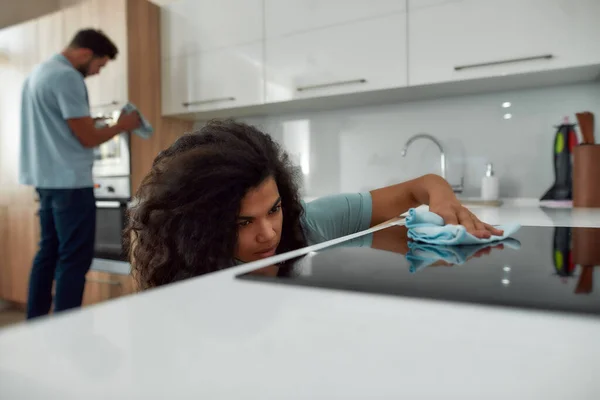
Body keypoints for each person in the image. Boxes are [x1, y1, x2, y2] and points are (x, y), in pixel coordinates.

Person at [125, 120, 503, 290]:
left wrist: (446, 201)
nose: (268, 232)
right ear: (200, 229)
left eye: (274, 209)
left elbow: (421, 186)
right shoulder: (190, 283)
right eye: (242, 223)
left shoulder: (307, 225)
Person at [19, 29, 142, 319]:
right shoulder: (67, 77)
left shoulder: (38, 74)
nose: (97, 73)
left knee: (47, 252)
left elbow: (60, 126)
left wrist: (93, 121)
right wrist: (122, 124)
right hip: (70, 182)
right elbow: (87, 138)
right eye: (99, 65)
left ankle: (34, 321)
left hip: (45, 181)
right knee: (74, 258)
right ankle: (66, 328)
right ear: (86, 54)